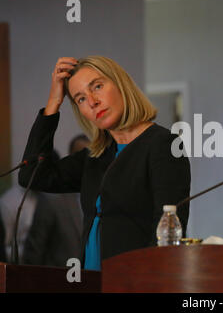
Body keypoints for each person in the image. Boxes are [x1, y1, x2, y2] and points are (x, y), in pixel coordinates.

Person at [19, 56, 190, 271]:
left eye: (97, 86)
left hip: (132, 283)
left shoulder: (163, 145)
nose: (92, 102)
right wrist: (54, 102)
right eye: (80, 99)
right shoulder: (95, 156)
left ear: (120, 84)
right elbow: (31, 175)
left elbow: (167, 236)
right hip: (90, 283)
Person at [22, 136, 89, 267]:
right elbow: (35, 250)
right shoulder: (52, 200)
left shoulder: (103, 196)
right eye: (81, 156)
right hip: (58, 280)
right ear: (72, 157)